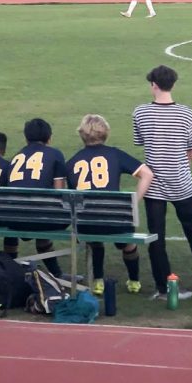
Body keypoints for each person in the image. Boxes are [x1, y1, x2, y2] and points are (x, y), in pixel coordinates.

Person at [132, 65, 192, 300]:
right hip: (182, 183)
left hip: (154, 185)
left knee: (156, 237)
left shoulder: (141, 112)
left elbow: (141, 141)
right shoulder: (187, 113)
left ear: (154, 84)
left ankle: (163, 287)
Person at [67, 114, 154, 295]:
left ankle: (97, 280)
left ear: (82, 134)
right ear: (105, 133)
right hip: (115, 221)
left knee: (94, 240)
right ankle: (134, 280)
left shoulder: (73, 161)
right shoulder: (114, 154)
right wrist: (133, 203)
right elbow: (147, 174)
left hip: (85, 224)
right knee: (129, 244)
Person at [7, 118, 69, 278]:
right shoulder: (55, 154)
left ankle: (10, 271)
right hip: (43, 218)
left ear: (26, 138)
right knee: (48, 212)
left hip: (14, 221)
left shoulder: (16, 157)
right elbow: (59, 192)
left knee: (24, 210)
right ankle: (56, 274)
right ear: (49, 138)